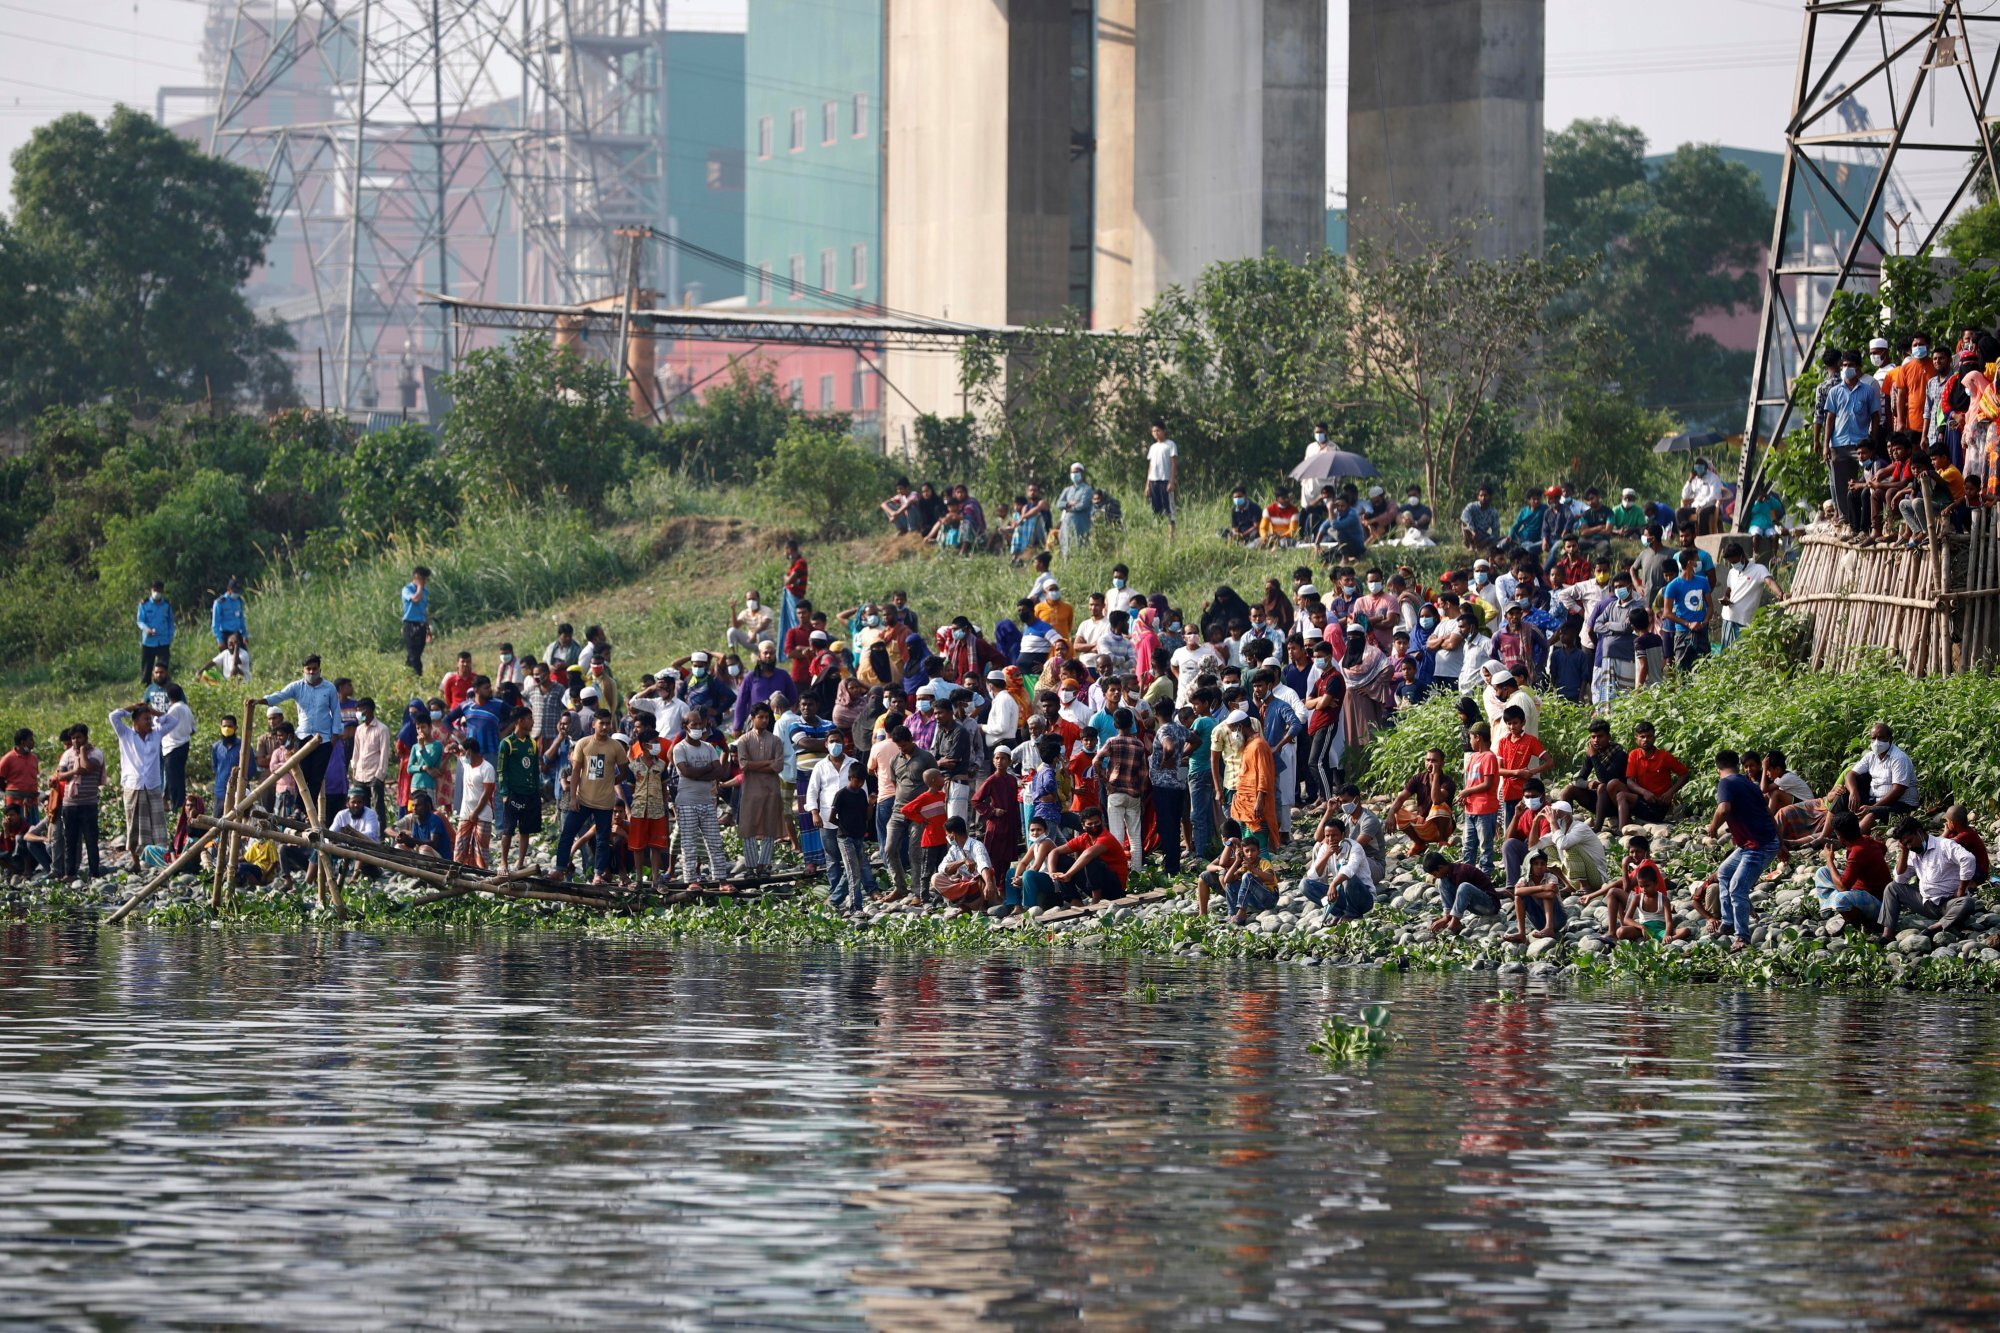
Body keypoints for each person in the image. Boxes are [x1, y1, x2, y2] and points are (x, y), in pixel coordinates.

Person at [256, 655, 342, 823]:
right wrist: (262, 701)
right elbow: (280, 695)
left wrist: (334, 738)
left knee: (317, 777)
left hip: (323, 739)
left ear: (319, 670)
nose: (311, 672)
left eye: (314, 669)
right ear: (303, 670)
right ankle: (299, 809)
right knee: (302, 774)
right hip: (303, 737)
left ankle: (302, 810)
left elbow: (336, 713)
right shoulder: (297, 687)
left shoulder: (329, 688)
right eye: (308, 669)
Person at [1707, 749, 1778, 948]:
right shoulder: (1749, 783)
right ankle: (1728, 922)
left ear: (1717, 768)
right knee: (1724, 872)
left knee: (1737, 888)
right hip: (1756, 843)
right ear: (1737, 765)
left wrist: (1713, 826)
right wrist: (1780, 843)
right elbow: (1768, 813)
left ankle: (1742, 937)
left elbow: (1724, 809)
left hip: (1758, 846)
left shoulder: (1726, 782)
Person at [1878, 817, 1981, 941]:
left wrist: (1961, 889)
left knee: (1967, 903)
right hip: (1926, 903)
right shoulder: (1912, 853)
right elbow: (1900, 879)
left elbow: (1968, 859)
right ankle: (1887, 935)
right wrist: (1904, 852)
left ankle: (1934, 928)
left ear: (1920, 832)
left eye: (1910, 841)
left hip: (1949, 902)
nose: (1909, 846)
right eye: (1905, 844)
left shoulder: (1944, 845)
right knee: (1892, 888)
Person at [556, 712, 626, 886]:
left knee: (603, 839)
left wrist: (611, 782)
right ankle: (559, 868)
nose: (604, 727)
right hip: (583, 801)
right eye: (601, 723)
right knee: (567, 834)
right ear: (593, 724)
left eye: (608, 723)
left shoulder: (616, 747)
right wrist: (573, 798)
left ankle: (598, 875)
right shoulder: (583, 744)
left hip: (605, 803)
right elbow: (576, 772)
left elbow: (624, 771)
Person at [1822, 350, 1886, 530]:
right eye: (1844, 365)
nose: (1846, 369)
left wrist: (1872, 439)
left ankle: (1864, 521)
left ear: (1858, 368)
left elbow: (1875, 415)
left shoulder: (1867, 390)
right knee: (1841, 483)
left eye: (1850, 365)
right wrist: (1826, 445)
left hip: (1861, 442)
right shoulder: (1834, 391)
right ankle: (1846, 519)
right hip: (1839, 443)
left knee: (1864, 480)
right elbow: (1830, 418)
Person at [1826, 722, 1918, 832]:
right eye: (1873, 738)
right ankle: (1824, 835)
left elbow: (1898, 790)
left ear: (1890, 739)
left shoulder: (1899, 758)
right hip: (1876, 800)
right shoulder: (1871, 756)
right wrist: (1854, 792)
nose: (1876, 742)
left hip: (1901, 804)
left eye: (1881, 738)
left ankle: (1850, 838)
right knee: (1844, 794)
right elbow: (1850, 774)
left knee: (1872, 814)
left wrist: (1873, 807)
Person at [673, 713, 730, 885]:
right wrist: (708, 771)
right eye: (694, 724)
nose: (698, 728)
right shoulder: (679, 748)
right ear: (685, 726)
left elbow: (720, 771)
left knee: (715, 842)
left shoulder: (709, 747)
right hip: (686, 802)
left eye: (700, 724)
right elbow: (686, 772)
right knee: (688, 845)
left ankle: (721, 880)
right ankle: (691, 881)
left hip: (707, 801)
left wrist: (699, 774)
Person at [108, 702, 167, 866]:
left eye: (150, 719)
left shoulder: (156, 734)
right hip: (133, 786)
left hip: (153, 785)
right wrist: (133, 707)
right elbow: (113, 716)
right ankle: (136, 861)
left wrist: (154, 712)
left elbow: (172, 721)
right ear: (135, 722)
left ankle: (158, 859)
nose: (149, 722)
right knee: (133, 825)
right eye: (145, 719)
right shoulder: (126, 734)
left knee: (157, 823)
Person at [1814, 812, 1891, 929]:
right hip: (1863, 891)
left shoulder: (1857, 851)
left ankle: (1861, 923)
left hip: (1878, 903)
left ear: (1839, 835)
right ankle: (1835, 907)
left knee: (1841, 899)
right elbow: (1883, 848)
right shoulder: (1865, 839)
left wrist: (1829, 860)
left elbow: (1843, 887)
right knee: (1822, 872)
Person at [496, 706, 543, 872]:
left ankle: (520, 861)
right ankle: (503, 862)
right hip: (513, 794)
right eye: (529, 718)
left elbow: (535, 770)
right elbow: (501, 769)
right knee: (508, 829)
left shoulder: (532, 743)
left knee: (526, 829)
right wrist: (504, 792)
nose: (532, 722)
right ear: (519, 721)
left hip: (530, 793)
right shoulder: (507, 743)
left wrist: (538, 791)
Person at [1300, 816, 1374, 921]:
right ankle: (1339, 913)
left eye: (1334, 835)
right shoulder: (1325, 848)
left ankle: (1352, 914)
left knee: (1347, 878)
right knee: (1305, 885)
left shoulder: (1354, 847)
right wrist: (1327, 855)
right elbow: (1312, 876)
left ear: (1343, 835)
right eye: (1327, 836)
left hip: (1363, 898)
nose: (1330, 839)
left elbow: (1349, 870)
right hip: (1342, 895)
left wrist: (1333, 884)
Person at [1051, 805, 1128, 902]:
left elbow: (1088, 854)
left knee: (1091, 861)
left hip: (1114, 887)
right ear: (1083, 826)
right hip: (1094, 883)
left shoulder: (1106, 837)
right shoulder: (1084, 838)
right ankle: (1075, 901)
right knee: (1061, 860)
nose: (1094, 826)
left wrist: (1068, 875)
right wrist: (1052, 873)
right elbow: (1055, 851)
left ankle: (1096, 900)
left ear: (1102, 822)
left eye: (1097, 823)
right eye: (1090, 824)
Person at [1715, 542, 1783, 650]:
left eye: (1734, 561)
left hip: (1743, 622)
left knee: (1741, 655)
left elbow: (1770, 582)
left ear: (1742, 556)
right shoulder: (1732, 571)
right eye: (1730, 562)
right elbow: (1729, 589)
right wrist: (1726, 598)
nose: (1733, 564)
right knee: (1726, 655)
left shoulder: (1759, 569)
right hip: (1728, 619)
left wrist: (1780, 593)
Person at [1622, 721, 1689, 829]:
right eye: (1642, 737)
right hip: (1642, 799)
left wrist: (1670, 792)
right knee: (1615, 787)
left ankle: (1622, 830)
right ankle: (1625, 825)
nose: (1645, 740)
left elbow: (1685, 774)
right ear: (1636, 739)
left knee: (1622, 796)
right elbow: (1629, 781)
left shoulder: (1664, 756)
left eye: (1649, 736)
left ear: (1654, 738)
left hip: (1659, 805)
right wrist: (1644, 792)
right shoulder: (1634, 755)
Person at [931, 815, 999, 909]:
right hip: (965, 887)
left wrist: (989, 883)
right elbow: (942, 868)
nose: (947, 837)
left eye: (947, 834)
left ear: (952, 835)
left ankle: (972, 904)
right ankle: (964, 903)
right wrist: (962, 861)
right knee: (936, 877)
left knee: (985, 875)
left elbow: (983, 866)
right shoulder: (954, 849)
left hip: (978, 888)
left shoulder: (977, 846)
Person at [1423, 851, 1499, 935]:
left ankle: (1454, 922)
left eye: (1434, 873)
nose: (1434, 876)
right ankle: (1453, 921)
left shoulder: (1461, 872)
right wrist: (1444, 917)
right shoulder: (1447, 875)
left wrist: (1445, 919)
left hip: (1490, 906)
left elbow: (1463, 896)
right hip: (1477, 907)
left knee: (1464, 887)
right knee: (1442, 882)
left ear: (1440, 867)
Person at [1460, 723, 1500, 877]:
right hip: (1470, 808)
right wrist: (1465, 796)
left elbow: (1487, 783)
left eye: (1471, 738)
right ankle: (1466, 875)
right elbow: (1470, 782)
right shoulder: (1473, 757)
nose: (1470, 741)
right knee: (1468, 845)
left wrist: (1467, 791)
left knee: (1485, 846)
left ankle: (1485, 876)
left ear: (1478, 737)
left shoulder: (1489, 757)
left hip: (1485, 809)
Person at [393, 791, 453, 859]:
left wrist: (410, 839)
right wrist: (405, 839)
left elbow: (433, 844)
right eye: (413, 805)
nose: (414, 808)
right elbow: (413, 844)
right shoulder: (416, 820)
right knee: (399, 847)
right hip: (424, 855)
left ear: (427, 807)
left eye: (418, 805)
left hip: (441, 858)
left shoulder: (434, 819)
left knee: (424, 849)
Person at [136, 580, 174, 684]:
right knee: (146, 669)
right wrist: (146, 629)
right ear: (151, 590)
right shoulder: (144, 605)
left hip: (163, 641)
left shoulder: (166, 605)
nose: (157, 593)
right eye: (155, 590)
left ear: (162, 591)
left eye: (159, 590)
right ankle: (145, 690)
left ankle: (163, 688)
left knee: (163, 667)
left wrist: (170, 636)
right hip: (148, 641)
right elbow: (140, 621)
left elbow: (170, 622)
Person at [1144, 419, 1177, 528]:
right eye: (1153, 431)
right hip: (1154, 481)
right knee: (1155, 509)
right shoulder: (1153, 447)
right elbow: (1151, 466)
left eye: (1158, 430)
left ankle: (1171, 535)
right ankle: (1157, 532)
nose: (1155, 433)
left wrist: (1171, 481)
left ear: (1163, 431)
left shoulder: (1170, 445)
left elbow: (1173, 463)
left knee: (1169, 509)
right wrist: (1147, 485)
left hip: (1165, 481)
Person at [1057, 462, 1094, 557]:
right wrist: (1069, 503)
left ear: (1082, 473)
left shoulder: (1087, 489)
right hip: (1066, 524)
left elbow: (1083, 505)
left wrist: (1068, 508)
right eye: (1072, 472)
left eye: (1077, 472)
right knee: (1066, 548)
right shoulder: (1067, 490)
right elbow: (1059, 504)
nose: (1074, 474)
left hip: (1081, 524)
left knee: (1080, 547)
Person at [401, 566, 432, 675]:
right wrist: (419, 586)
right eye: (423, 579)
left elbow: (424, 610)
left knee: (415, 655)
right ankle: (418, 677)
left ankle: (406, 676)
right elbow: (415, 599)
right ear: (417, 577)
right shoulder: (407, 589)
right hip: (410, 625)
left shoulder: (424, 591)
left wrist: (428, 629)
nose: (425, 581)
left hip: (421, 625)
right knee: (414, 656)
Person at [210, 576, 248, 647]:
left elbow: (241, 619)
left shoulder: (238, 601)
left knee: (245, 656)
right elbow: (215, 624)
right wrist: (220, 640)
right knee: (228, 657)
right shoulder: (219, 603)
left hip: (237, 634)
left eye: (238, 592)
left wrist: (244, 635)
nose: (237, 594)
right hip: (225, 636)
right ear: (229, 589)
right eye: (235, 592)